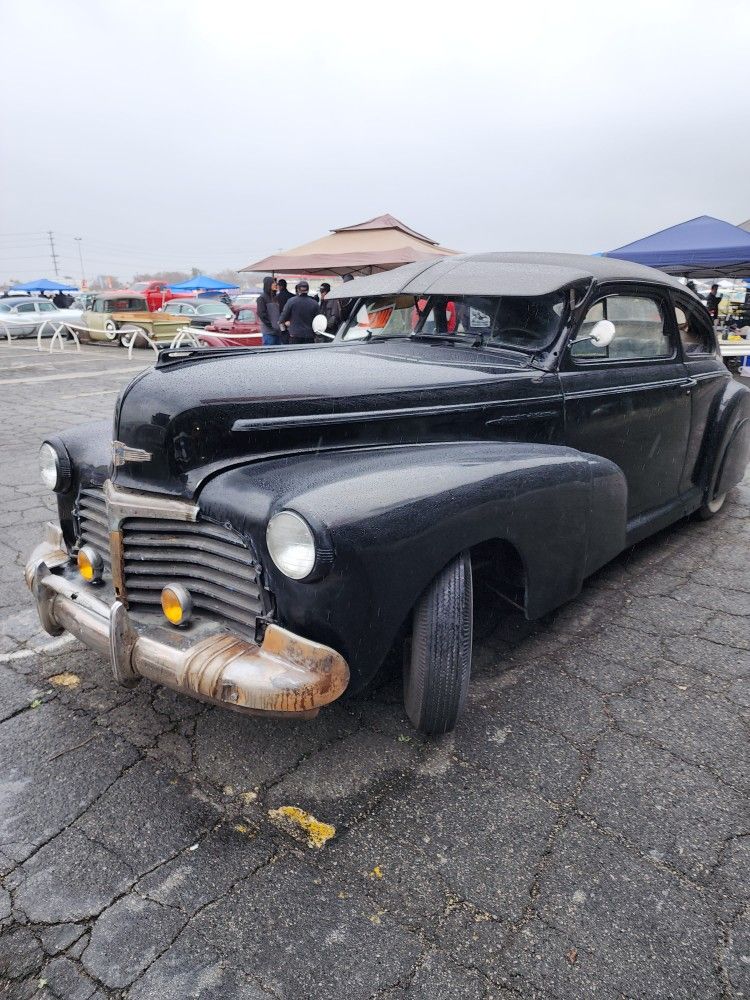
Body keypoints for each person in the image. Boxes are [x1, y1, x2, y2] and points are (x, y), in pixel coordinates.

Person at [256, 276, 281, 346]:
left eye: (276, 283)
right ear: (268, 284)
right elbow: (261, 314)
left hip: (278, 332)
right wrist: (272, 326)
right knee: (269, 354)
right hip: (269, 333)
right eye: (273, 283)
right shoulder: (261, 298)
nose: (276, 284)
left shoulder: (275, 298)